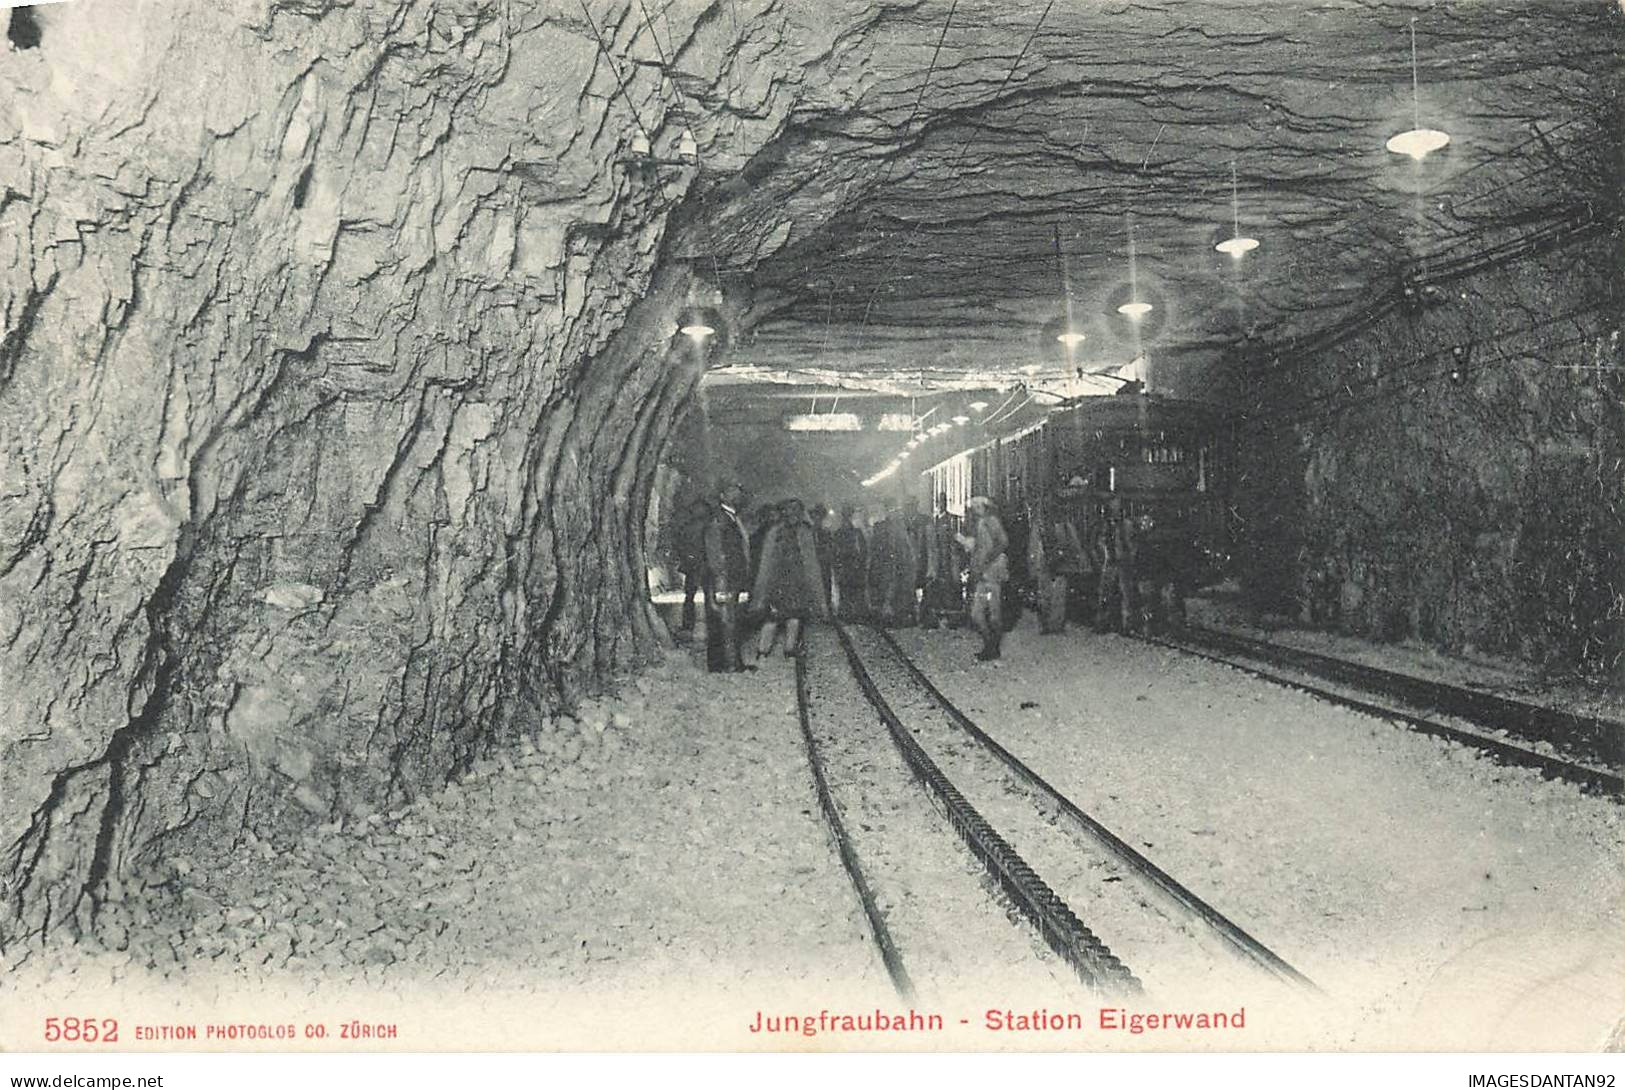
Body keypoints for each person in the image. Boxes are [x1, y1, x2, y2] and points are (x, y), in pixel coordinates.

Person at [751, 498, 829, 657]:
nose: (793, 514)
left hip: (795, 580)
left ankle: (787, 648)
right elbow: (766, 561)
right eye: (790, 510)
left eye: (796, 510)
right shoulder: (776, 532)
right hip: (778, 581)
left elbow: (811, 562)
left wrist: (817, 594)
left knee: (793, 615)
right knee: (775, 617)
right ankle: (764, 650)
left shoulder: (801, 532)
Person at [703, 482, 753, 673]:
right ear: (722, 495)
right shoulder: (720, 519)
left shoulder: (730, 518)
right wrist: (720, 579)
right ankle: (729, 664)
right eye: (732, 492)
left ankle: (727, 663)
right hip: (724, 578)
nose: (737, 496)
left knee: (729, 620)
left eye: (739, 493)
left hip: (732, 577)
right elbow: (715, 552)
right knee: (726, 621)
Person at [957, 496, 1010, 661]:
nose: (975, 510)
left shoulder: (991, 521)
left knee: (992, 613)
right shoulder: (981, 523)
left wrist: (987, 560)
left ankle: (992, 648)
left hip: (992, 573)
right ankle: (990, 644)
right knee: (977, 613)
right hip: (983, 574)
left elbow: (1002, 542)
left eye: (977, 507)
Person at [867, 500, 917, 627]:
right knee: (893, 588)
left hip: (894, 563)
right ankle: (893, 614)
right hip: (891, 562)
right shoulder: (897, 526)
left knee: (893, 588)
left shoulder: (889, 526)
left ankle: (893, 614)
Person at [921, 492, 964, 628]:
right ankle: (936, 617)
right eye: (940, 501)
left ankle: (949, 617)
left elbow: (955, 541)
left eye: (943, 501)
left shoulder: (951, 520)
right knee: (937, 587)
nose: (941, 504)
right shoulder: (934, 520)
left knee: (949, 587)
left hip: (947, 559)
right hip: (938, 559)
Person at [673, 486, 711, 632]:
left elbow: (679, 544)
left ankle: (688, 625)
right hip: (702, 564)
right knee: (707, 596)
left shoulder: (687, 527)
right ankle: (709, 624)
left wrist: (687, 557)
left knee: (690, 596)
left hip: (693, 564)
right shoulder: (709, 526)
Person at [833, 506, 869, 621]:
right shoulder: (841, 533)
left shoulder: (855, 532)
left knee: (853, 590)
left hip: (853, 565)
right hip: (848, 565)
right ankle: (850, 612)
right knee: (847, 590)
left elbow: (863, 550)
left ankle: (854, 612)